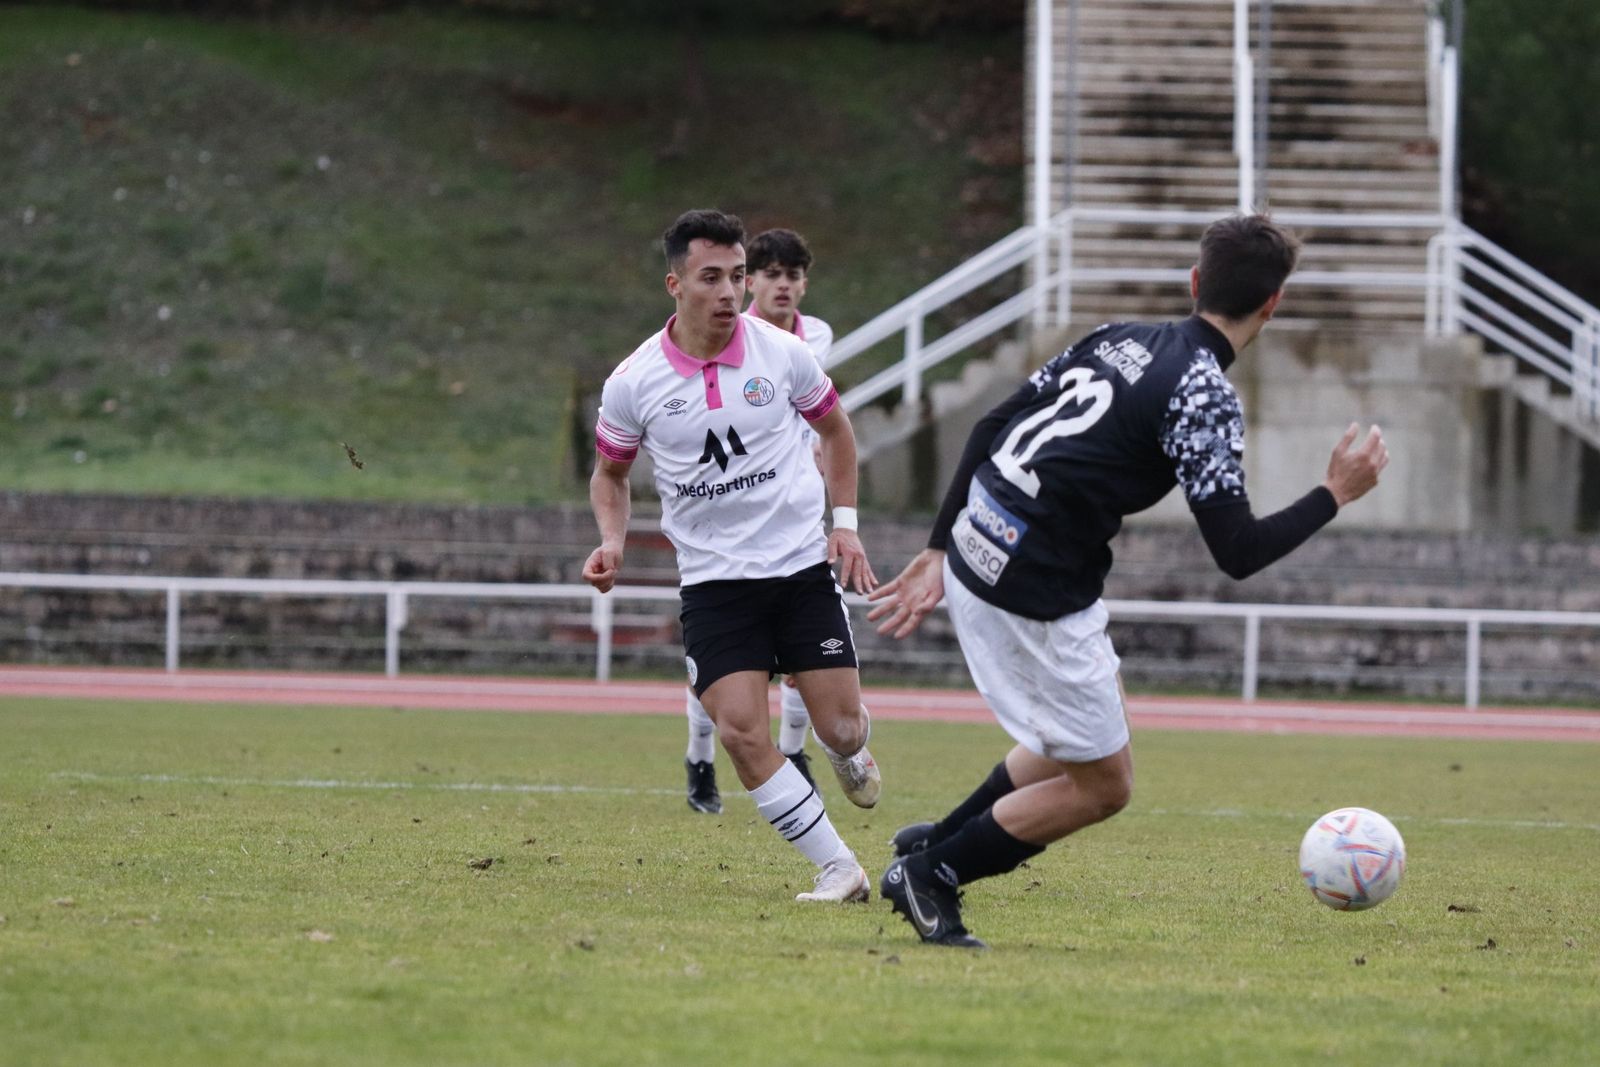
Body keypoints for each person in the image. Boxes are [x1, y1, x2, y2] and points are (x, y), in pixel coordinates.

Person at [865, 214, 1390, 947]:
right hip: (1034, 582)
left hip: (981, 541)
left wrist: (936, 546)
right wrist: (1334, 492)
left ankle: (939, 839)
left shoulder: (1120, 336)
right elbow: (1236, 549)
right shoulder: (1202, 392)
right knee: (1105, 784)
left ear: (1196, 281)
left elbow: (991, 424)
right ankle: (936, 872)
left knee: (1071, 739)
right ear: (1273, 304)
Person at [585, 209, 883, 903]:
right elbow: (610, 474)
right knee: (742, 731)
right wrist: (612, 540)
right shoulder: (634, 381)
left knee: (840, 725)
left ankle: (850, 747)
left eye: (737, 276)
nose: (729, 291)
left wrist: (845, 524)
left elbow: (837, 433)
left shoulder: (782, 354)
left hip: (801, 570)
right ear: (675, 283)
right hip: (717, 585)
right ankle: (838, 867)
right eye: (711, 277)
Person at [681, 227, 834, 813]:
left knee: (805, 659)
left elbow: (822, 409)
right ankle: (699, 757)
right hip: (728, 513)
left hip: (794, 510)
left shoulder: (816, 336)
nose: (783, 286)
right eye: (771, 274)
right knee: (724, 665)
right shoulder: (728, 335)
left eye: (794, 276)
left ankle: (795, 754)